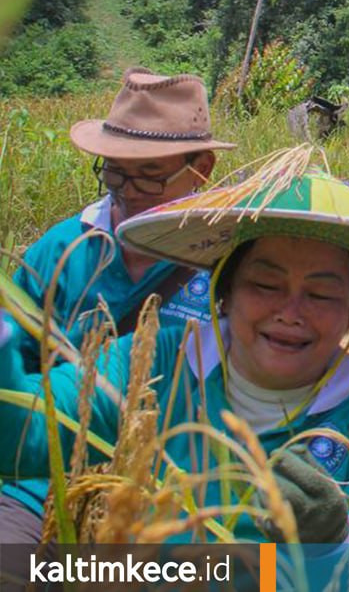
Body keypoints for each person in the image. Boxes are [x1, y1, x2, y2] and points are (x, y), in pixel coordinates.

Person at [0, 166, 349, 546]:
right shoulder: (157, 361)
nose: (290, 312)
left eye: (321, 294)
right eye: (265, 285)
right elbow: (29, 435)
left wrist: (335, 540)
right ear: (224, 295)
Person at [1, 67, 232, 546]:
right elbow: (15, 381)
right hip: (44, 486)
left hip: (172, 503)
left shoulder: (229, 263)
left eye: (149, 178)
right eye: (114, 173)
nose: (125, 193)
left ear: (202, 168)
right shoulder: (63, 248)